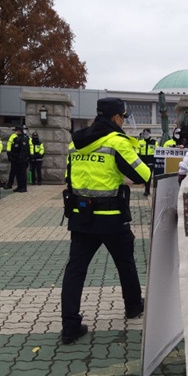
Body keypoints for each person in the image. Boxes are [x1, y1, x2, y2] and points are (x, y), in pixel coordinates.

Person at [61, 97, 151, 344]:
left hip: (81, 217)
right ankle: (133, 307)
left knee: (75, 270)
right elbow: (144, 174)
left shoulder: (76, 142)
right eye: (123, 116)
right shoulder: (116, 142)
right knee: (125, 263)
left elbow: (68, 177)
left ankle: (69, 326)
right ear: (116, 117)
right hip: (111, 219)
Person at [6, 125, 31, 192]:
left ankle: (23, 187)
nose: (16, 132)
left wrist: (21, 158)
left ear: (20, 131)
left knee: (22, 174)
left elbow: (23, 150)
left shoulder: (24, 138)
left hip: (22, 160)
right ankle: (19, 186)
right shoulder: (17, 138)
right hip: (16, 159)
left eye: (17, 131)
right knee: (18, 174)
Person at [138, 128, 157, 196]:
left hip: (150, 161)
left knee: (148, 176)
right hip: (143, 161)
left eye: (147, 133)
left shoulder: (154, 142)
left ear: (150, 134)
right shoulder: (140, 142)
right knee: (144, 176)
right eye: (144, 133)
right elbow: (137, 150)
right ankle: (146, 189)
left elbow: (157, 151)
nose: (146, 135)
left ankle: (147, 190)